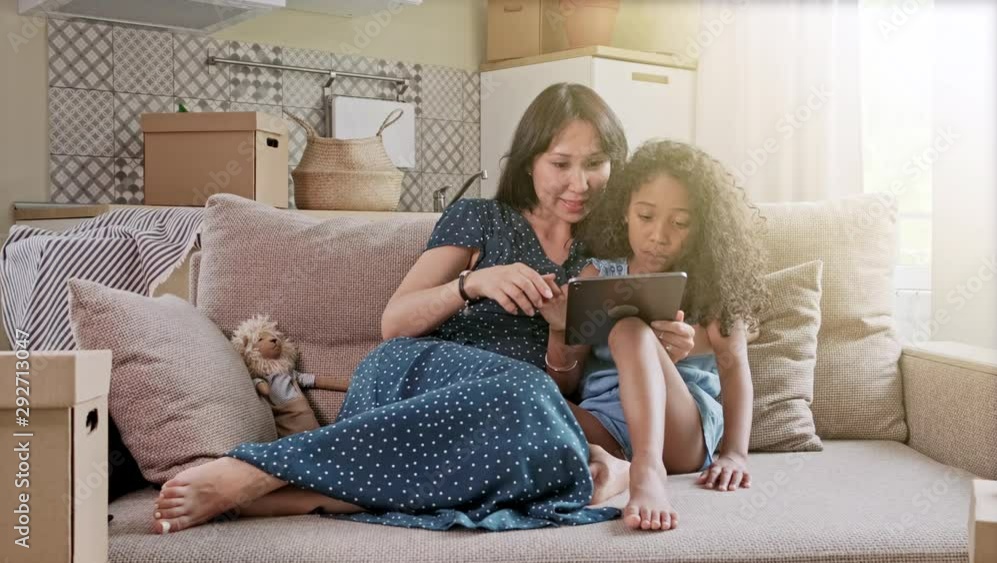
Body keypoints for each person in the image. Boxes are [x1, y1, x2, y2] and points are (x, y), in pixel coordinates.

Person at [150, 84, 685, 534]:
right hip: (413, 377)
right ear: (530, 161)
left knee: (551, 434)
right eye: (561, 164)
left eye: (596, 165)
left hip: (505, 419)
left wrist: (560, 336)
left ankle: (318, 494)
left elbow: (564, 387)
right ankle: (259, 471)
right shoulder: (480, 218)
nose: (579, 183)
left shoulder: (605, 259)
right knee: (533, 400)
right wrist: (473, 283)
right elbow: (395, 323)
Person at [537, 140, 769, 531]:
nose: (659, 236)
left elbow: (735, 372)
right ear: (625, 211)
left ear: (702, 227)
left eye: (680, 224)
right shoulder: (596, 276)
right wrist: (558, 330)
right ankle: (613, 467)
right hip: (605, 423)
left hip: (679, 434)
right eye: (646, 216)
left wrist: (735, 454)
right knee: (526, 393)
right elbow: (566, 382)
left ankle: (646, 470)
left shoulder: (713, 287)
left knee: (629, 328)